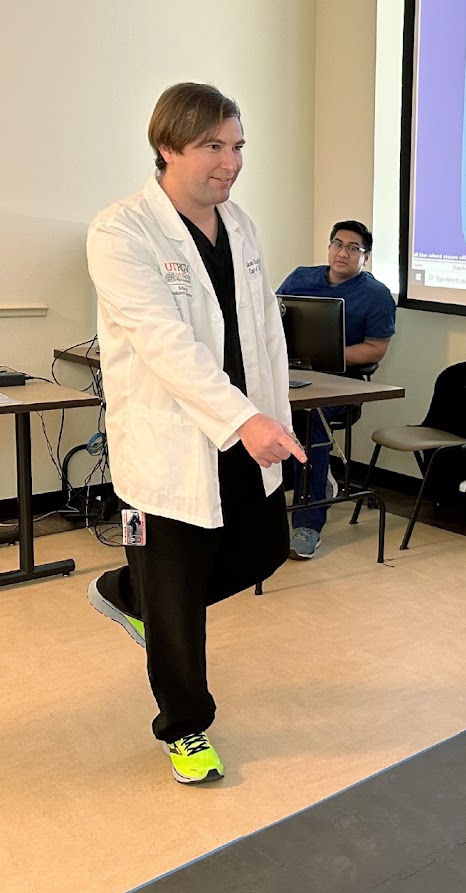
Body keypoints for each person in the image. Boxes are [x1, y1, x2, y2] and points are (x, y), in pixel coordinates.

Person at [85, 83, 304, 784]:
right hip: (172, 441)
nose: (231, 162)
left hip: (242, 431)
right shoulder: (121, 231)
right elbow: (163, 341)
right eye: (214, 146)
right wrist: (244, 418)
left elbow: (263, 331)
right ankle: (183, 727)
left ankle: (128, 591)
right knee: (177, 595)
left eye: (237, 146)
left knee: (264, 548)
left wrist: (273, 417)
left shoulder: (239, 225)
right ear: (167, 146)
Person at [276, 220, 395, 559]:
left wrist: (325, 354)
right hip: (290, 374)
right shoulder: (301, 277)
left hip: (341, 386)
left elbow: (375, 349)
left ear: (366, 257)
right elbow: (271, 318)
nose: (342, 252)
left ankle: (307, 524)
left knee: (310, 419)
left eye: (353, 248)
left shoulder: (376, 295)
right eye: (337, 244)